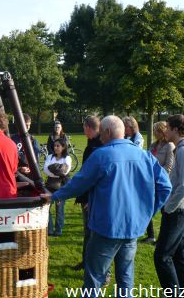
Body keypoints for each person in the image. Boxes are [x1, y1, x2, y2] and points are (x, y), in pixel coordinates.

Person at [41, 115, 171, 296]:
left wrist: (53, 196)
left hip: (106, 228)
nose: (100, 136)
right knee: (125, 278)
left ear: (108, 132)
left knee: (94, 278)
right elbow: (165, 187)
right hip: (132, 227)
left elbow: (78, 183)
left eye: (101, 132)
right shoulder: (144, 155)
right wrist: (147, 212)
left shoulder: (101, 155)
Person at [154, 114, 184, 294]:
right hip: (181, 207)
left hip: (178, 209)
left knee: (162, 257)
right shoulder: (182, 148)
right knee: (180, 255)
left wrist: (168, 208)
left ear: (176, 129)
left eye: (167, 127)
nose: (165, 130)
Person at [73, 116, 103, 271]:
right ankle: (86, 261)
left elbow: (98, 177)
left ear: (88, 127)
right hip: (86, 196)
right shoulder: (91, 144)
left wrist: (91, 199)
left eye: (84, 127)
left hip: (94, 199)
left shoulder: (100, 145)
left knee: (95, 234)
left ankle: (100, 270)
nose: (83, 131)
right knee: (87, 232)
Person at [143, 121, 175, 244]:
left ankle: (162, 238)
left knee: (164, 212)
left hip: (161, 183)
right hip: (149, 182)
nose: (154, 133)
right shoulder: (153, 145)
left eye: (156, 130)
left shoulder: (170, 146)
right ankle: (151, 235)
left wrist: (158, 179)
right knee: (147, 207)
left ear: (162, 132)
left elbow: (169, 167)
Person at [43, 138, 71, 237]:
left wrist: (53, 168)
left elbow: (64, 171)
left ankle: (58, 231)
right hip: (50, 185)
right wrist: (57, 168)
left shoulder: (67, 158)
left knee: (59, 209)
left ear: (63, 147)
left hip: (61, 186)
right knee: (47, 208)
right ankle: (50, 230)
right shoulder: (49, 156)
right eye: (55, 146)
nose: (55, 147)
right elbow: (45, 170)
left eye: (58, 146)